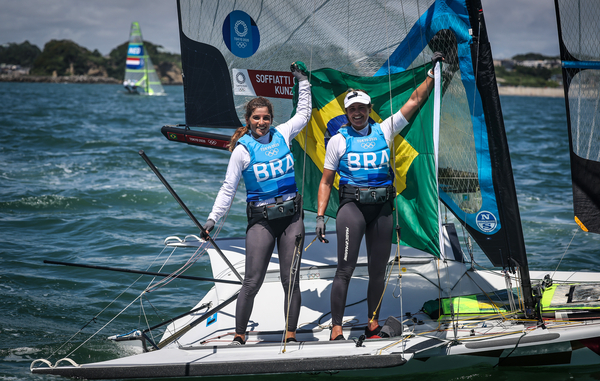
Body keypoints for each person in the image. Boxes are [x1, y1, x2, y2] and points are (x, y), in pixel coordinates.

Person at [316, 53, 443, 341]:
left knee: (377, 271)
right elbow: (326, 181)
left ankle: (372, 322)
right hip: (352, 209)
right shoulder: (338, 139)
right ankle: (337, 327)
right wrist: (322, 216)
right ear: (346, 113)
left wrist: (432, 75)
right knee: (345, 269)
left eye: (362, 108)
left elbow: (414, 101)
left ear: (370, 109)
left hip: (382, 209)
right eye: (352, 109)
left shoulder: (385, 129)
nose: (357, 113)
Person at [203, 63, 311, 345]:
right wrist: (213, 219)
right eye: (256, 118)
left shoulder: (284, 133)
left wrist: (303, 82)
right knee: (252, 281)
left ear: (271, 118)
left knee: (291, 281)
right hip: (261, 221)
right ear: (248, 120)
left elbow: (304, 113)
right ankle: (239, 337)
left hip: (291, 218)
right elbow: (228, 189)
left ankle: (290, 335)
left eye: (265, 117)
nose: (261, 122)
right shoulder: (242, 151)